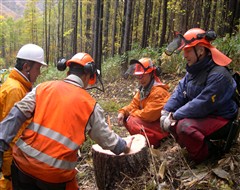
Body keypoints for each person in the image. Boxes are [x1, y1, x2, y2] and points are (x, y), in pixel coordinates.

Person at [0, 52, 133, 190]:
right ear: (88, 75)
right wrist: (124, 145)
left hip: (22, 165)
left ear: (68, 70)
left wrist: (1, 144)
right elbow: (107, 140)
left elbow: (16, 115)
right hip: (53, 176)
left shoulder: (43, 87)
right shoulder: (90, 105)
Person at [161, 28, 238, 164]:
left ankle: (209, 155)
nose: (184, 55)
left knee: (183, 126)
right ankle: (195, 147)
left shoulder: (219, 74)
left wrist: (175, 115)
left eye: (188, 50)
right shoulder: (193, 71)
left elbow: (204, 103)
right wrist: (166, 110)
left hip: (221, 118)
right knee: (173, 123)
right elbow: (180, 91)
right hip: (205, 115)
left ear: (201, 50)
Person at [0, 43, 47, 190]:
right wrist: (11, 170)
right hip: (13, 166)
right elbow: (9, 134)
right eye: (37, 68)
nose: (38, 73)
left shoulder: (18, 86)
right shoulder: (15, 90)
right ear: (26, 67)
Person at [118, 58, 170, 148]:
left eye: (143, 75)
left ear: (150, 73)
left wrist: (132, 113)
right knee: (126, 117)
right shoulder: (143, 90)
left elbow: (148, 115)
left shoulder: (158, 92)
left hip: (160, 128)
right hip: (151, 125)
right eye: (138, 76)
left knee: (132, 121)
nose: (140, 79)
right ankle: (145, 140)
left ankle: (156, 142)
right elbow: (133, 104)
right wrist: (123, 112)